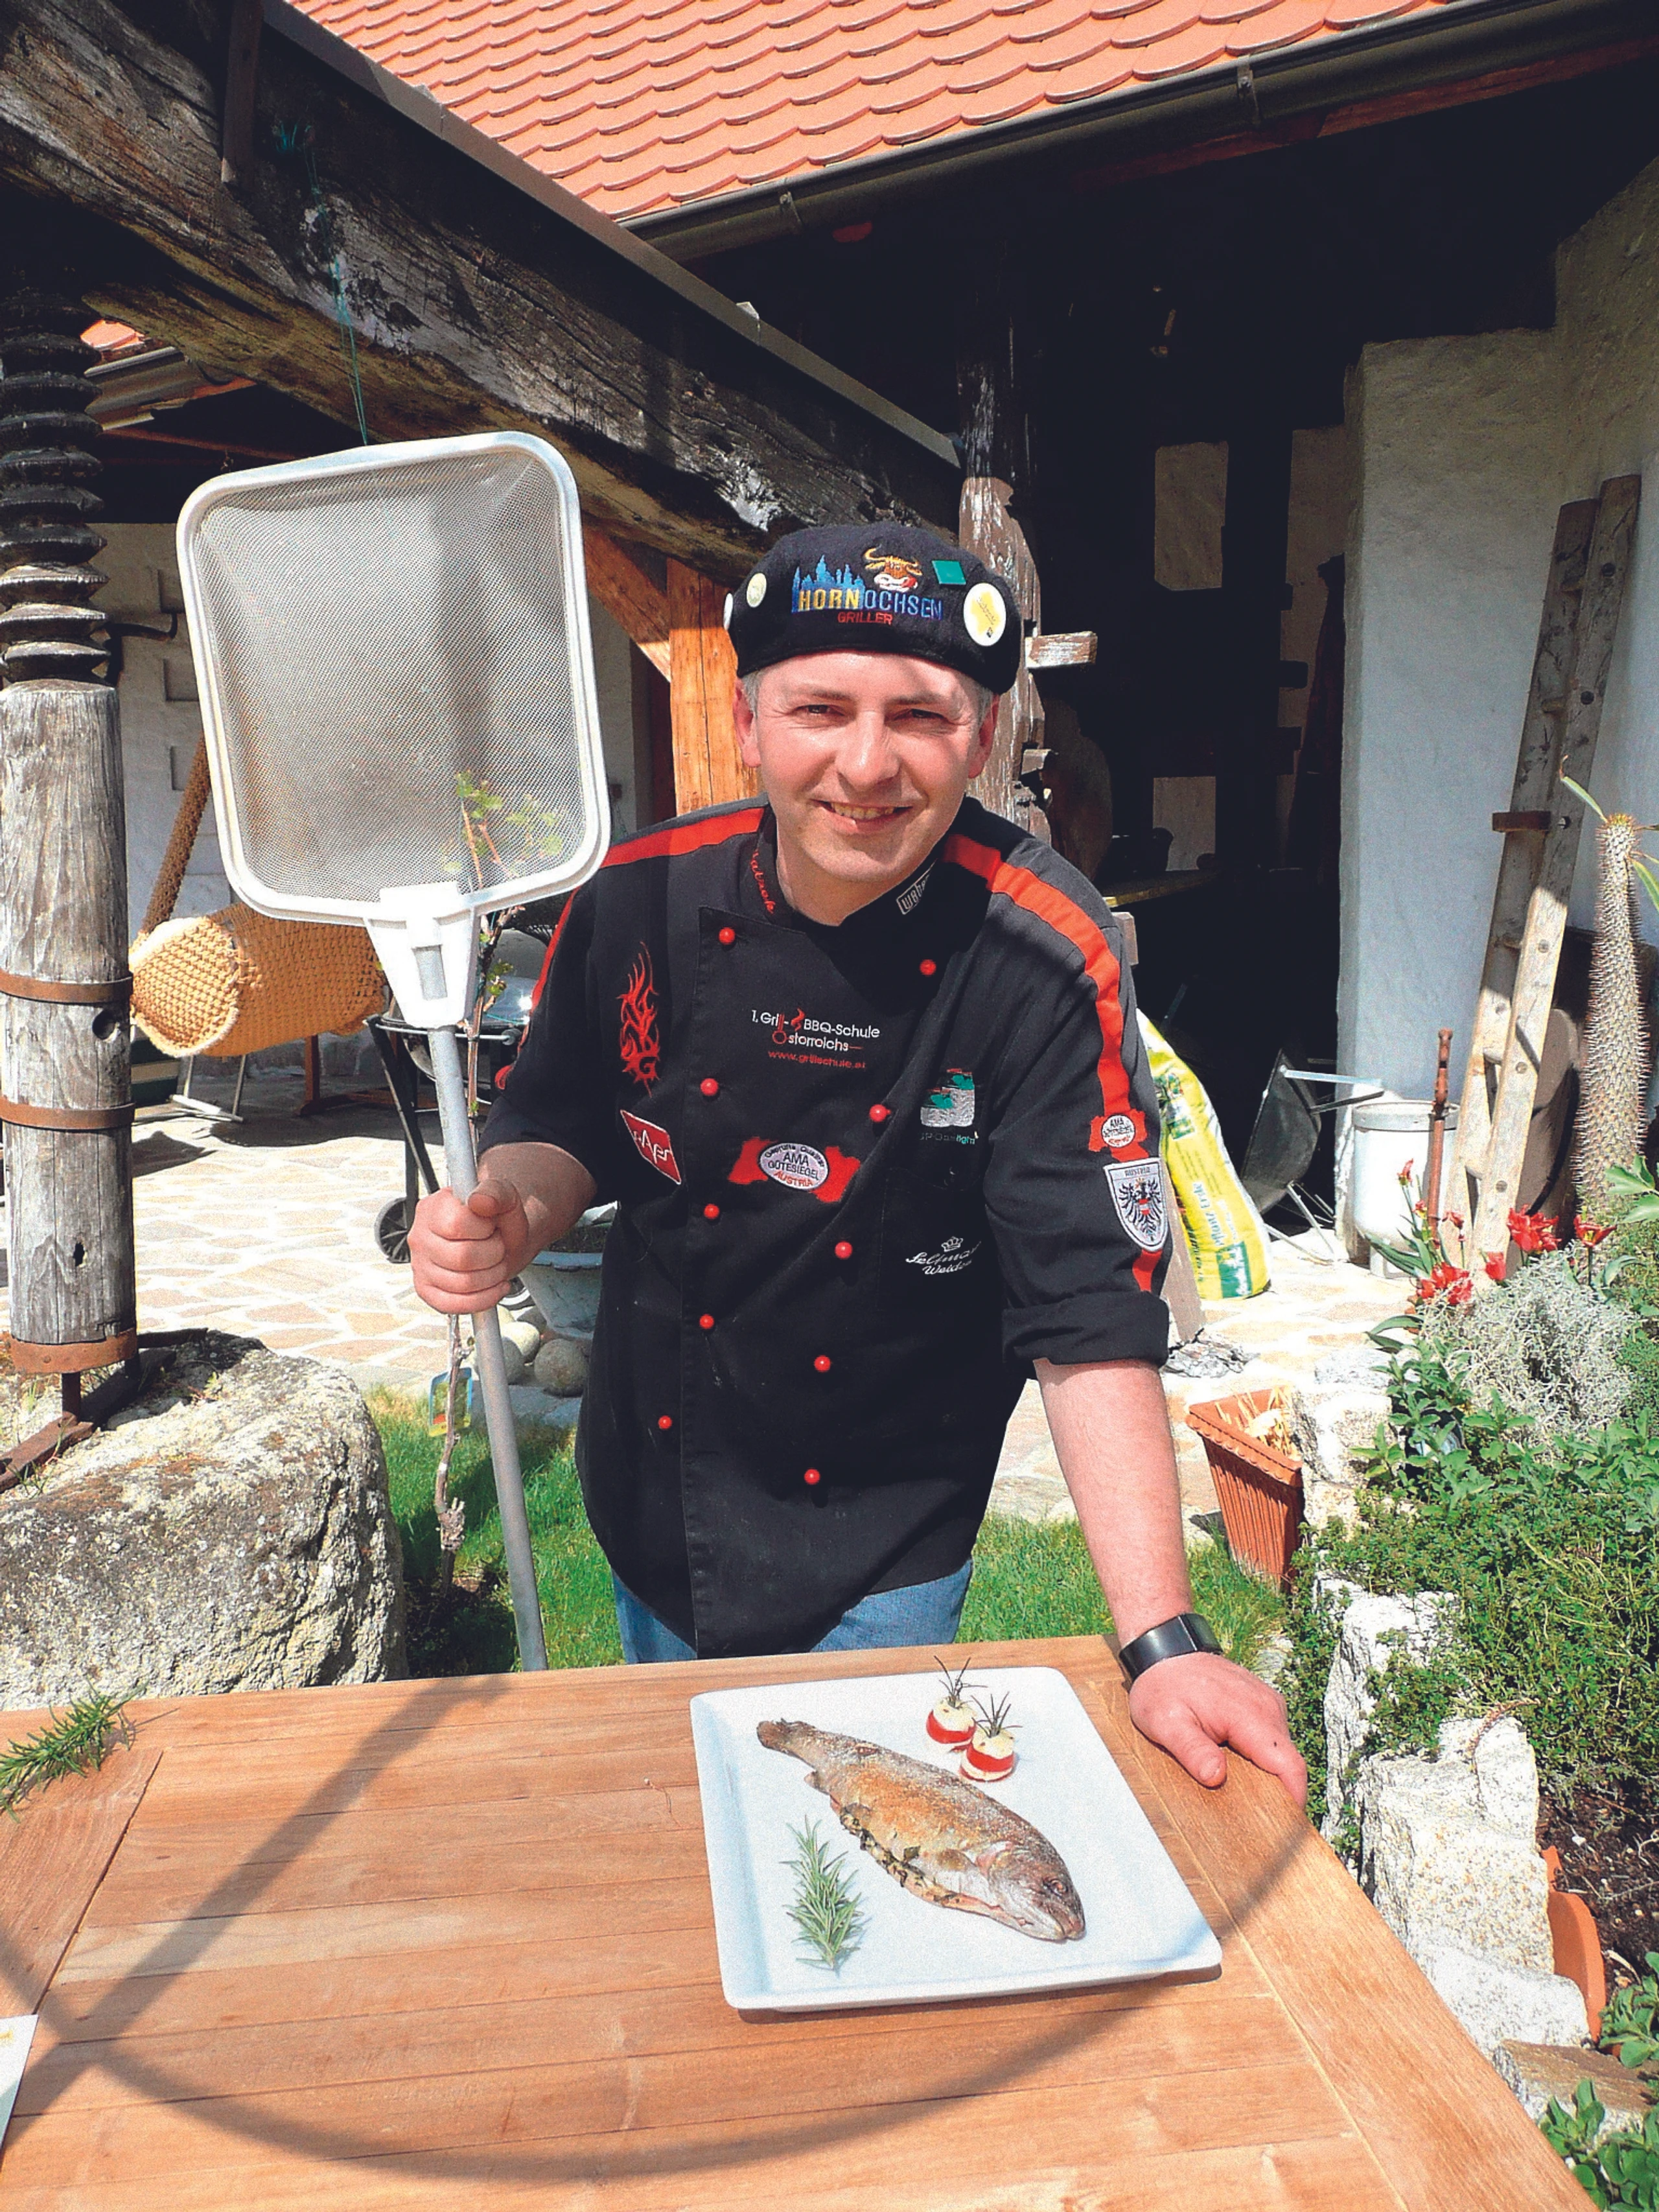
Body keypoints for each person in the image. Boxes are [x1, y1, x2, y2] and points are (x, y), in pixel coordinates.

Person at [410, 524, 1305, 1808]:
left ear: (980, 738)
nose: (867, 764)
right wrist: (510, 1209)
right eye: (819, 710)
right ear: (747, 722)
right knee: (699, 1823)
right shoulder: (638, 897)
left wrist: (1161, 1639)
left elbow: (1087, 1305)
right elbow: (559, 1117)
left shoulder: (1044, 951)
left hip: (887, 1528)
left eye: (919, 717)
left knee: (855, 1847)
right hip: (660, 1485)